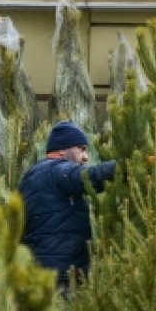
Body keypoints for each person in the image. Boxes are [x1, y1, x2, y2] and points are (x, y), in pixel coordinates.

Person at [19, 121, 116, 291]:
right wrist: (130, 163)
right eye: (81, 149)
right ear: (62, 149)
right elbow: (90, 177)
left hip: (38, 270)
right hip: (62, 274)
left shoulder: (31, 176)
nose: (85, 157)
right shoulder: (57, 171)